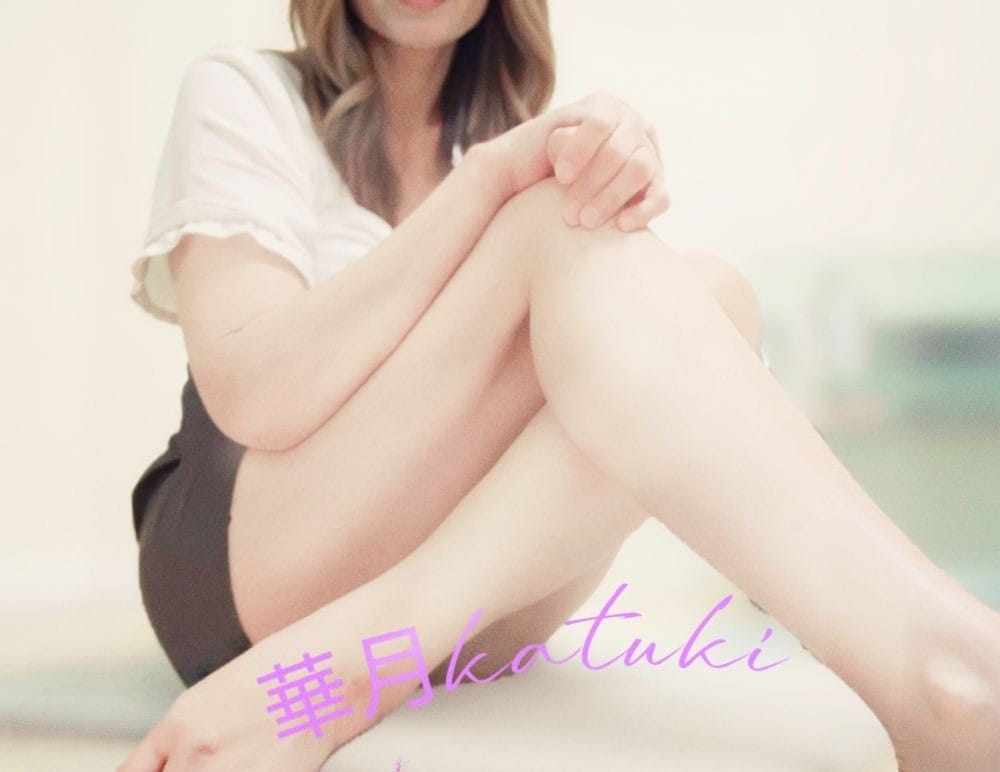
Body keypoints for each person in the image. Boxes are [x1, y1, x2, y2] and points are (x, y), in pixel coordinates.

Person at [120, 1, 1000, 770]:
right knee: (567, 225)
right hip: (244, 563)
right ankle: (947, 665)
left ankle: (366, 654)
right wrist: (490, 181)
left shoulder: (510, 136)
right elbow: (258, 395)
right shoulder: (245, 93)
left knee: (717, 297)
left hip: (463, 612)